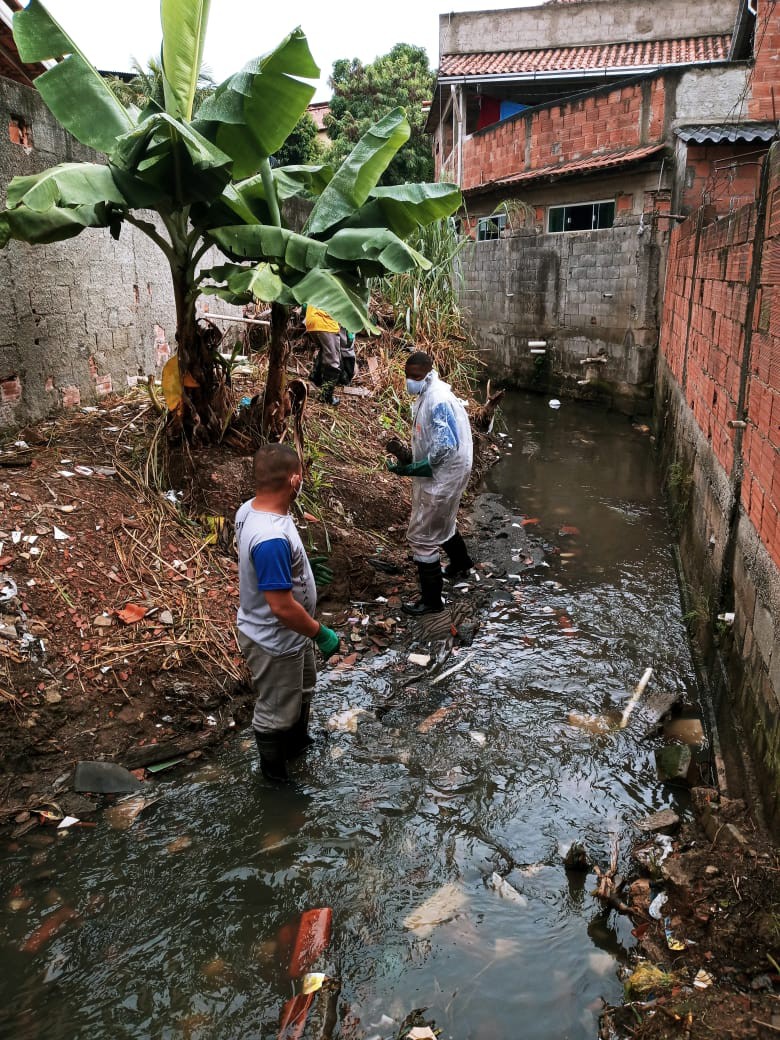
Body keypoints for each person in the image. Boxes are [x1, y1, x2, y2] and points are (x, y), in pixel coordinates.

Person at [235, 444, 340, 780]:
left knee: (303, 689)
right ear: (294, 480)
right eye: (302, 475)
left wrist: (299, 569)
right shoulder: (270, 539)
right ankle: (274, 779)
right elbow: (280, 607)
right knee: (275, 712)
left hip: (292, 638)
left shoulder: (251, 510)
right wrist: (321, 633)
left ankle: (298, 744)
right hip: (276, 641)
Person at [387, 352, 474, 615]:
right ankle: (461, 565)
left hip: (444, 473)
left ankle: (432, 601)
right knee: (444, 520)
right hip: (452, 469)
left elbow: (445, 446)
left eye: (414, 377)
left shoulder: (437, 399)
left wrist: (415, 467)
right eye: (407, 376)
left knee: (422, 537)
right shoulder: (431, 392)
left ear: (426, 372)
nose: (410, 381)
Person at [305, 305, 347, 405]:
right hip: (325, 323)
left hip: (312, 320)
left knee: (325, 350)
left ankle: (316, 378)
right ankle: (326, 396)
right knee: (333, 360)